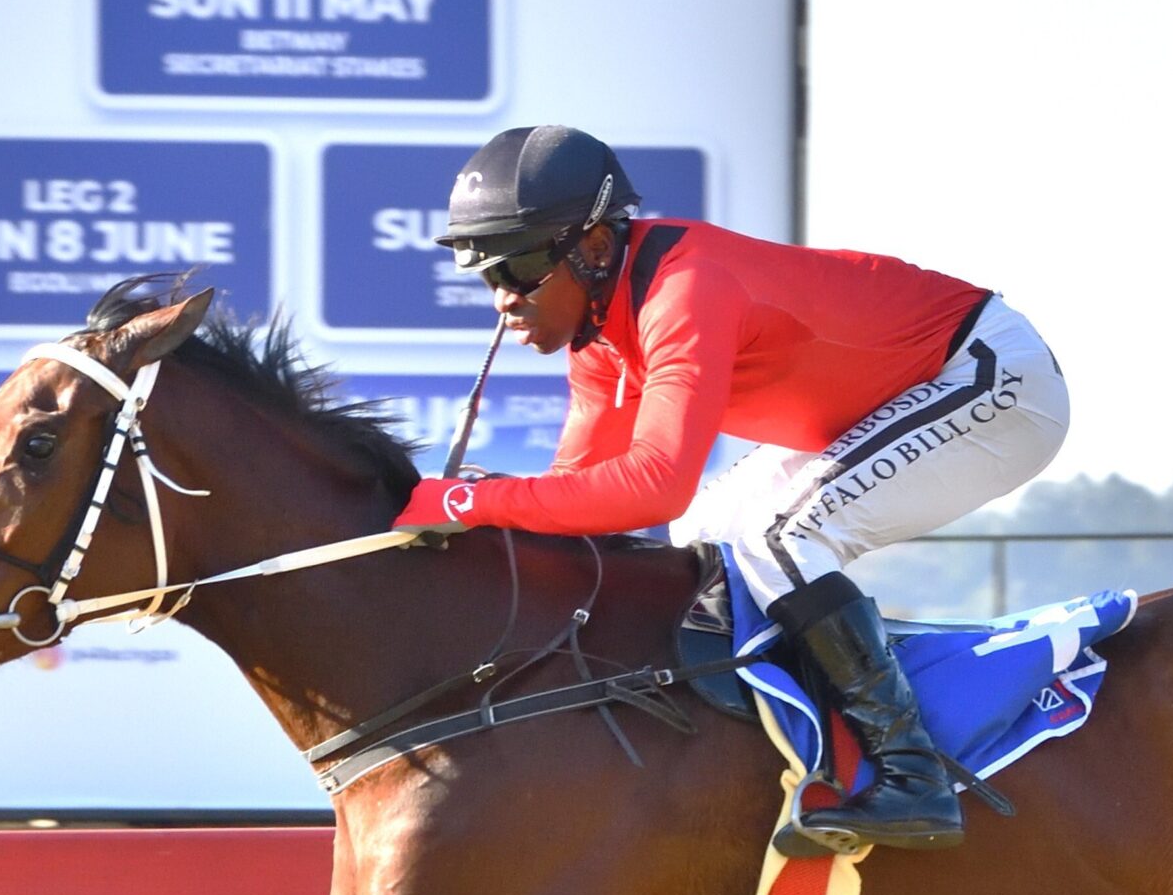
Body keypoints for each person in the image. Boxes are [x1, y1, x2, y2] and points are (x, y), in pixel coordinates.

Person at [391, 125, 1071, 855]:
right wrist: (486, 508)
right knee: (701, 543)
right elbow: (582, 505)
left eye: (521, 266)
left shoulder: (686, 289)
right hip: (898, 397)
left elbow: (654, 487)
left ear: (595, 247)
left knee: (780, 539)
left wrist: (467, 501)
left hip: (991, 377)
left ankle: (914, 776)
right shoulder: (601, 334)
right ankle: (784, 744)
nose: (503, 299)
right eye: (486, 275)